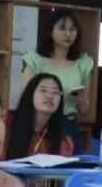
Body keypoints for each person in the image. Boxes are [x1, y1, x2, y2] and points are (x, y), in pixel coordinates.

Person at [19, 8, 95, 147]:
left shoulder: (83, 63)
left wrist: (81, 99)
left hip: (68, 124)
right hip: (41, 123)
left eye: (72, 29)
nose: (68, 34)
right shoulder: (35, 60)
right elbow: (25, 97)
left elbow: (83, 109)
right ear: (50, 31)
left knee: (72, 160)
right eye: (62, 28)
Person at [2, 73, 74, 160]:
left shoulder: (63, 141)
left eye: (55, 92)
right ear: (30, 93)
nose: (49, 96)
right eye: (43, 90)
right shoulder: (6, 122)